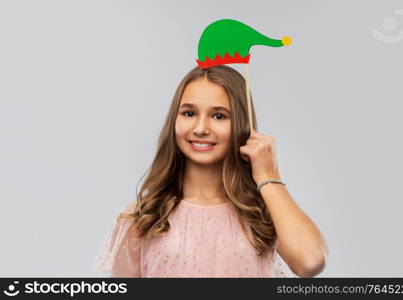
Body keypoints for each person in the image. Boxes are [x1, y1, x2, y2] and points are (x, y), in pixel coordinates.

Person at [92, 65, 328, 277]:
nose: (201, 128)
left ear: (242, 124)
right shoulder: (144, 216)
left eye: (218, 116)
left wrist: (268, 177)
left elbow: (310, 263)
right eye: (189, 113)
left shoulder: (265, 212)